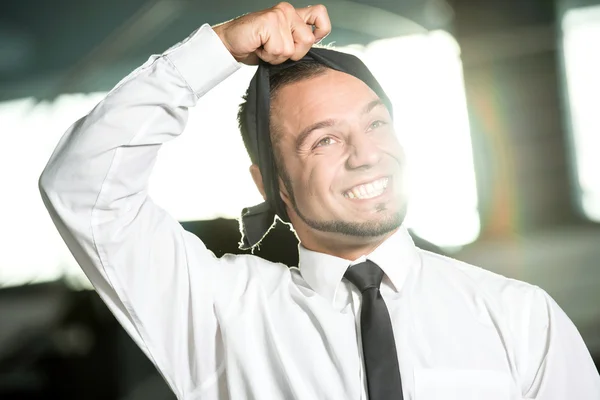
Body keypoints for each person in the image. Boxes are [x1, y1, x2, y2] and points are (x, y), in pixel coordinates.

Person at [39, 3, 600, 399]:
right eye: (325, 140)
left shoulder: (520, 316)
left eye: (376, 124)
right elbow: (83, 188)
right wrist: (216, 50)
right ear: (271, 185)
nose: (366, 155)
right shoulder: (219, 315)